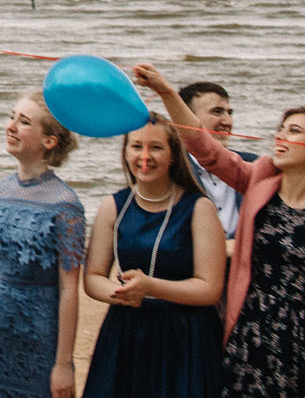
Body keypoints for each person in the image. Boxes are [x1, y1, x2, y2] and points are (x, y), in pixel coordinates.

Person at [135, 61, 305, 398]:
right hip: (249, 329)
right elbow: (205, 147)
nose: (280, 136)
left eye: (294, 131)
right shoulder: (259, 179)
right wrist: (166, 91)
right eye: (280, 128)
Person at [82, 112, 229, 398]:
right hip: (126, 328)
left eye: (156, 147)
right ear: (125, 152)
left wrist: (151, 287)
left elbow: (210, 289)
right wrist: (122, 293)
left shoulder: (199, 208)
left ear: (174, 155)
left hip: (186, 334)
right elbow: (93, 277)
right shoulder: (113, 206)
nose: (145, 156)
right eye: (137, 146)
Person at [0, 95, 86, 398]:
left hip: (38, 334)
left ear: (49, 141)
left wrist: (64, 364)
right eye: (12, 117)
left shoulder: (65, 205)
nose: (10, 127)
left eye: (24, 122)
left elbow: (69, 289)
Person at [186, 80, 257, 244]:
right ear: (187, 119)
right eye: (217, 112)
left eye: (229, 113)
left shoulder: (253, 164)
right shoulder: (171, 169)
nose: (227, 122)